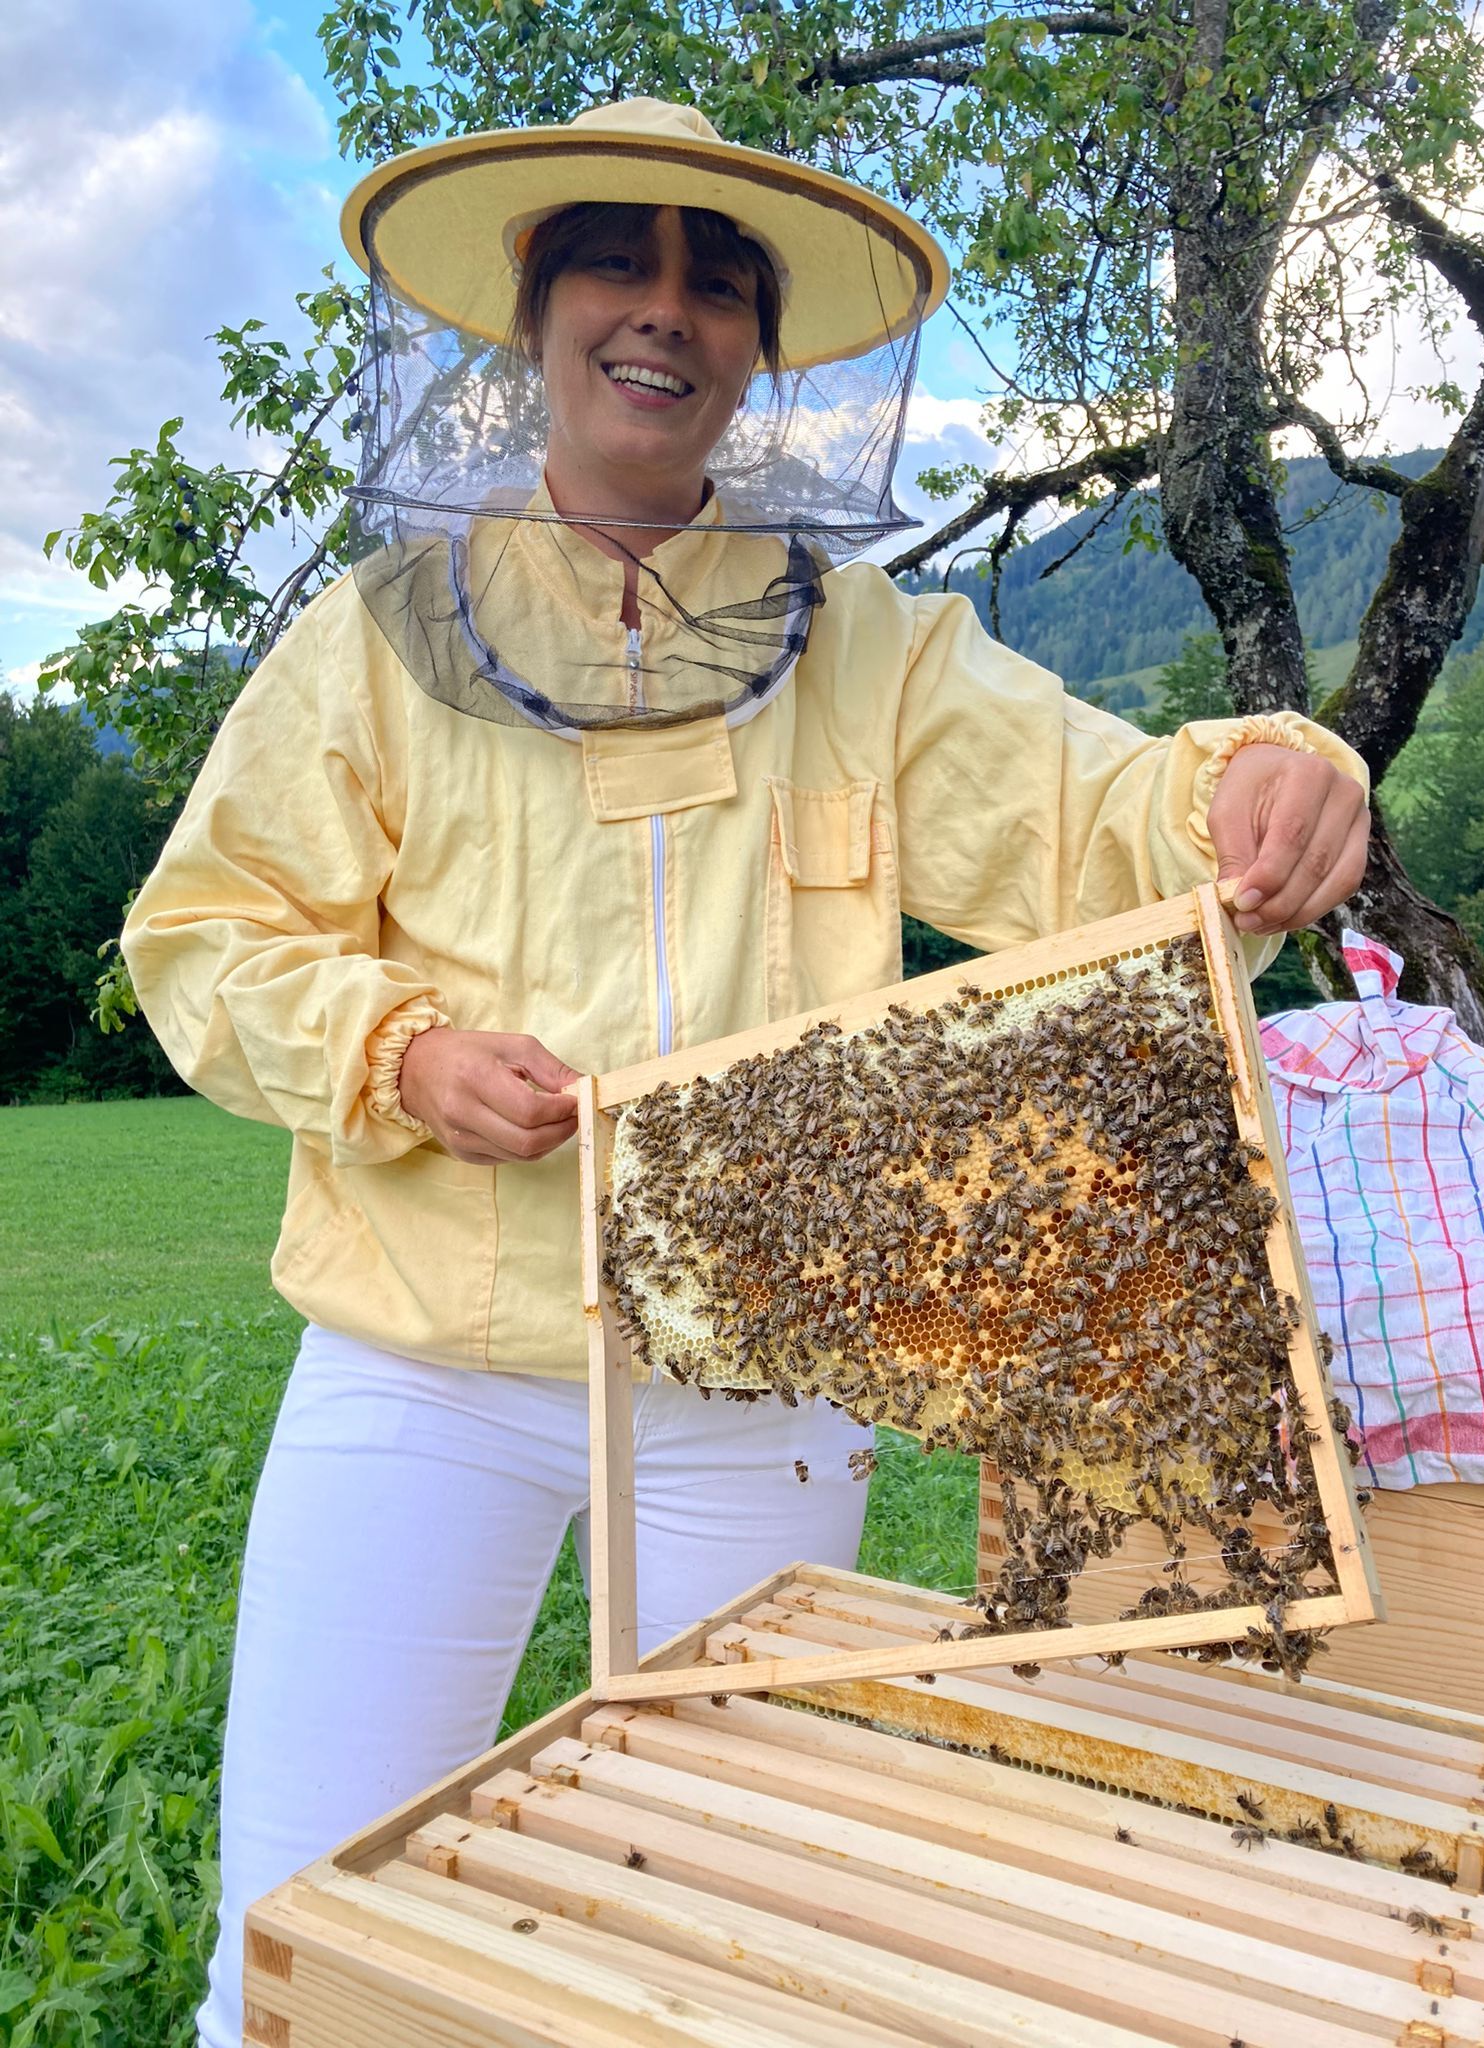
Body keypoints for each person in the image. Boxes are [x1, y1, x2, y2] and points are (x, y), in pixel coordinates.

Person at [121, 97, 1370, 2048]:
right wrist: (398, 1054)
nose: (665, 309)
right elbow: (206, 935)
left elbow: (1105, 819)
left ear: (762, 350)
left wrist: (1273, 777)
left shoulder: (868, 648)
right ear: (533, 311)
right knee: (297, 1922)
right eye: (615, 260)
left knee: (714, 1941)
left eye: (717, 281)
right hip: (421, 1368)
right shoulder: (368, 643)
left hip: (754, 1386)